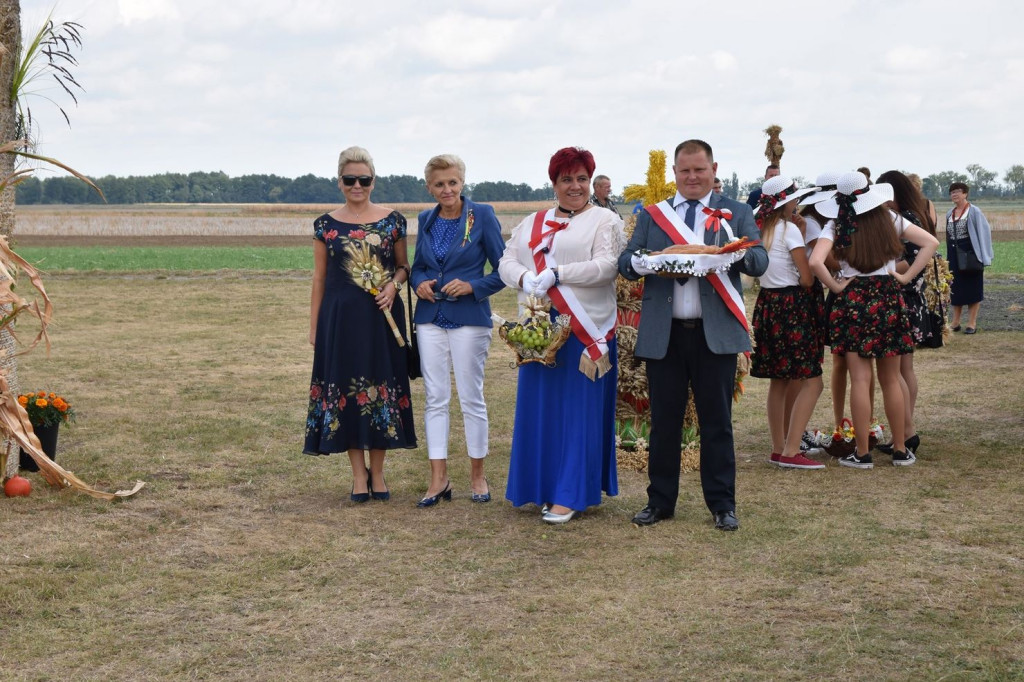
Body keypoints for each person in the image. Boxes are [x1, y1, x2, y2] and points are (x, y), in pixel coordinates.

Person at [618, 139, 768, 531]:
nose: (692, 177)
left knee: (717, 422)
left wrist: (736, 254)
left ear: (714, 169)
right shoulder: (654, 216)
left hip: (713, 333)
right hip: (664, 334)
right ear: (674, 173)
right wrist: (641, 262)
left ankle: (722, 504)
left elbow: (760, 259)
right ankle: (660, 502)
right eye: (684, 171)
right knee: (664, 422)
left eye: (699, 170)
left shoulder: (736, 212)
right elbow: (627, 262)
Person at [498, 147, 624, 525]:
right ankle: (541, 486)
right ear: (553, 183)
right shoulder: (533, 221)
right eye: (567, 179)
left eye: (582, 179)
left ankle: (570, 494)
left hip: (586, 330)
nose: (576, 186)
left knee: (577, 412)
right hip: (539, 332)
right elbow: (506, 260)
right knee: (542, 409)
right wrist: (524, 278)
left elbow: (607, 267)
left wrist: (558, 274)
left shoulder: (604, 219)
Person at [304, 146, 417, 501]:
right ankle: (357, 475)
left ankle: (379, 474)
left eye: (364, 179)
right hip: (340, 320)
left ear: (372, 181)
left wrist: (392, 285)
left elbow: (403, 267)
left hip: (382, 319)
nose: (357, 185)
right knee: (347, 391)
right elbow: (319, 278)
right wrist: (315, 326)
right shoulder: (325, 225)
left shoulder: (392, 221)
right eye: (350, 179)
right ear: (339, 182)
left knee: (381, 386)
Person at [810, 172, 938, 469]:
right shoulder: (889, 219)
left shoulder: (836, 224)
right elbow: (930, 243)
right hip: (887, 296)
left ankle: (863, 452)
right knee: (891, 378)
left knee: (860, 378)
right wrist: (905, 276)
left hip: (853, 299)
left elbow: (816, 261)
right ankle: (900, 449)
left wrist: (836, 285)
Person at [410, 154, 506, 507]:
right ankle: (438, 479)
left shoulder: (482, 215)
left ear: (462, 182)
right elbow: (418, 267)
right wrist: (418, 283)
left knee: (471, 397)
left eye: (452, 182)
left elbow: (504, 268)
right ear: (429, 187)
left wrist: (473, 286)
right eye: (439, 184)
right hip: (429, 319)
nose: (446, 189)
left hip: (469, 318)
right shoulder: (425, 219)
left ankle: (477, 476)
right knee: (435, 398)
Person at [748, 176, 823, 469]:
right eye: (794, 199)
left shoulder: (762, 230)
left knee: (779, 381)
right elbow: (806, 278)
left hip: (768, 304)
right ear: (785, 203)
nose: (797, 203)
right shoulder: (790, 230)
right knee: (811, 380)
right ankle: (792, 450)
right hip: (792, 306)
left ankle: (779, 447)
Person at [876, 169, 939, 456]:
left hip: (905, 298)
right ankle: (903, 428)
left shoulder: (907, 219)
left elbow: (915, 258)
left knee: (899, 370)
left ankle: (906, 429)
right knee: (904, 369)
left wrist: (889, 272)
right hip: (911, 298)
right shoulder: (914, 215)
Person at [946, 182, 994, 334]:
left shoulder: (974, 211)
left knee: (973, 288)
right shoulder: (949, 213)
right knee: (956, 288)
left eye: (958, 191)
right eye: (952, 192)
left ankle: (971, 323)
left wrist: (984, 256)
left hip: (971, 253)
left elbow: (984, 233)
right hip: (954, 253)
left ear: (965, 194)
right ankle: (955, 322)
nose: (954, 194)